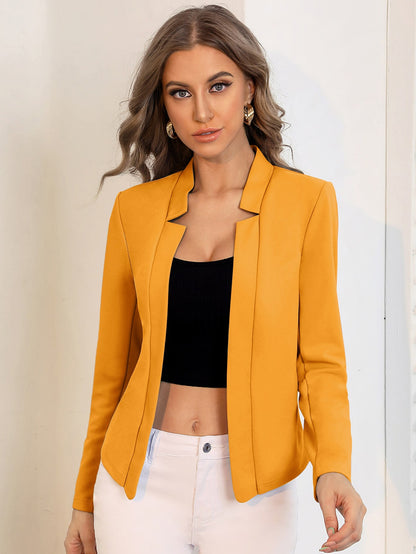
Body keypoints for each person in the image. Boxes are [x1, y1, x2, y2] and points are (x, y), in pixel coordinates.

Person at [64, 5, 366, 553]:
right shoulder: (135, 211)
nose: (201, 111)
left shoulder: (306, 204)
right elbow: (114, 368)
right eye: (180, 92)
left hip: (254, 492)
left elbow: (320, 359)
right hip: (139, 483)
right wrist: (84, 497)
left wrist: (334, 466)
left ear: (250, 88)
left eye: (219, 86)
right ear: (164, 105)